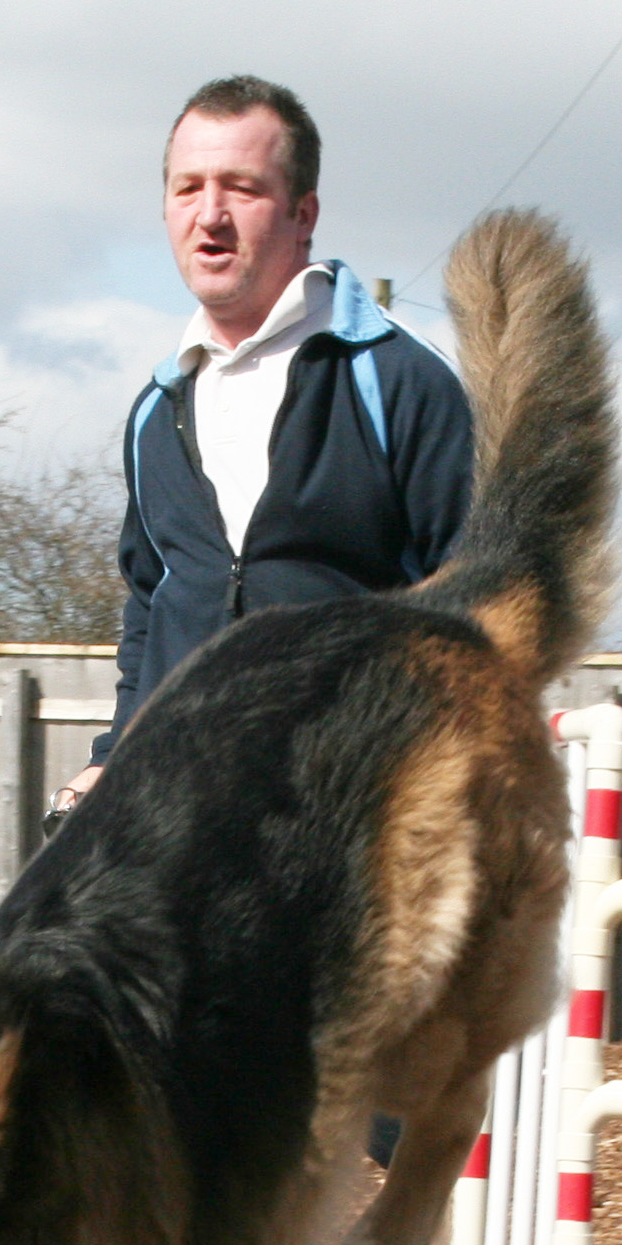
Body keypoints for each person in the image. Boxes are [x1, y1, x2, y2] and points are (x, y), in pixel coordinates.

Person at [50, 73, 476, 816]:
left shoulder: (399, 382)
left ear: (303, 212)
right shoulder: (156, 411)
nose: (209, 215)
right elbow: (152, 606)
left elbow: (474, 603)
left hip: (351, 815)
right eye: (188, 189)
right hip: (177, 820)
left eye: (240, 188)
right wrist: (113, 758)